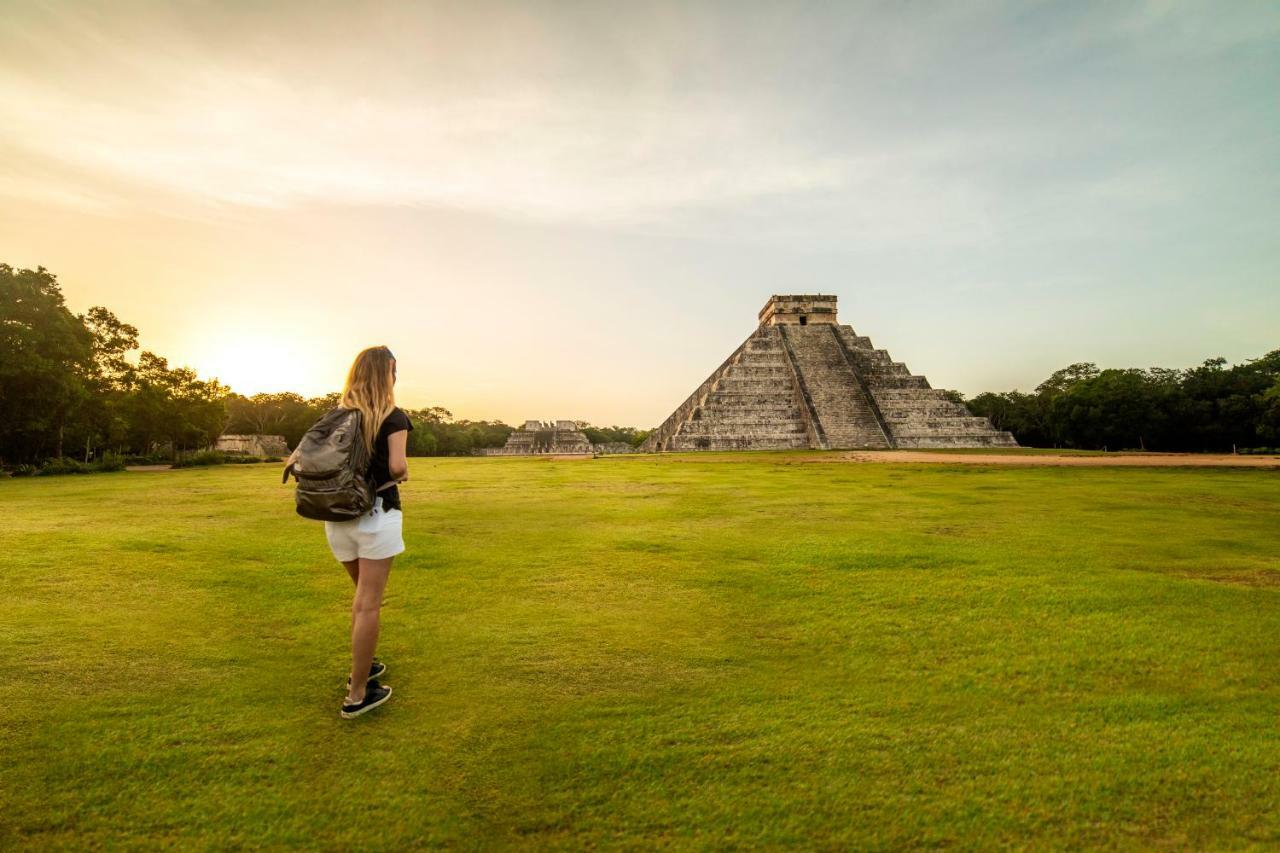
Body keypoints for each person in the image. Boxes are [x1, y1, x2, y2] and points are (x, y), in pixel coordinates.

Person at [285, 345, 413, 718]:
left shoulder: (333, 416)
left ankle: (364, 662)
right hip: (376, 514)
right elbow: (397, 467)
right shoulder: (393, 416)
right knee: (368, 604)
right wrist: (400, 473)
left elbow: (297, 460)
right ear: (386, 373)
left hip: (336, 518)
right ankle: (357, 695)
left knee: (360, 598)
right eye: (394, 370)